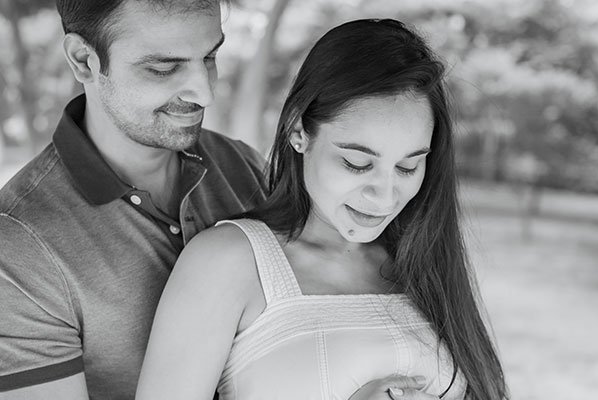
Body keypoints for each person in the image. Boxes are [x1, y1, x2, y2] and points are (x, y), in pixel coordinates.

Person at [136, 19, 508, 400]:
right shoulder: (229, 262)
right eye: (356, 163)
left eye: (407, 167)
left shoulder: (427, 265)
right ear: (298, 130)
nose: (383, 197)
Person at [0, 0, 266, 399]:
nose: (205, 92)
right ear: (83, 60)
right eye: (163, 67)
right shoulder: (19, 246)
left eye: (210, 56)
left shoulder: (244, 167)